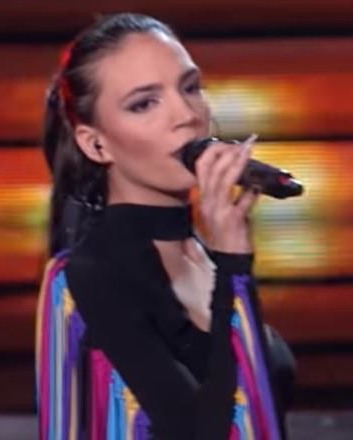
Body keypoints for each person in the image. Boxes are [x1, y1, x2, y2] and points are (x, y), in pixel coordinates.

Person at [35, 13, 295, 440]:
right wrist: (234, 265)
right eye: (144, 104)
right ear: (96, 144)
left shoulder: (204, 254)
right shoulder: (90, 274)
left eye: (190, 87)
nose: (186, 115)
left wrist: (229, 261)